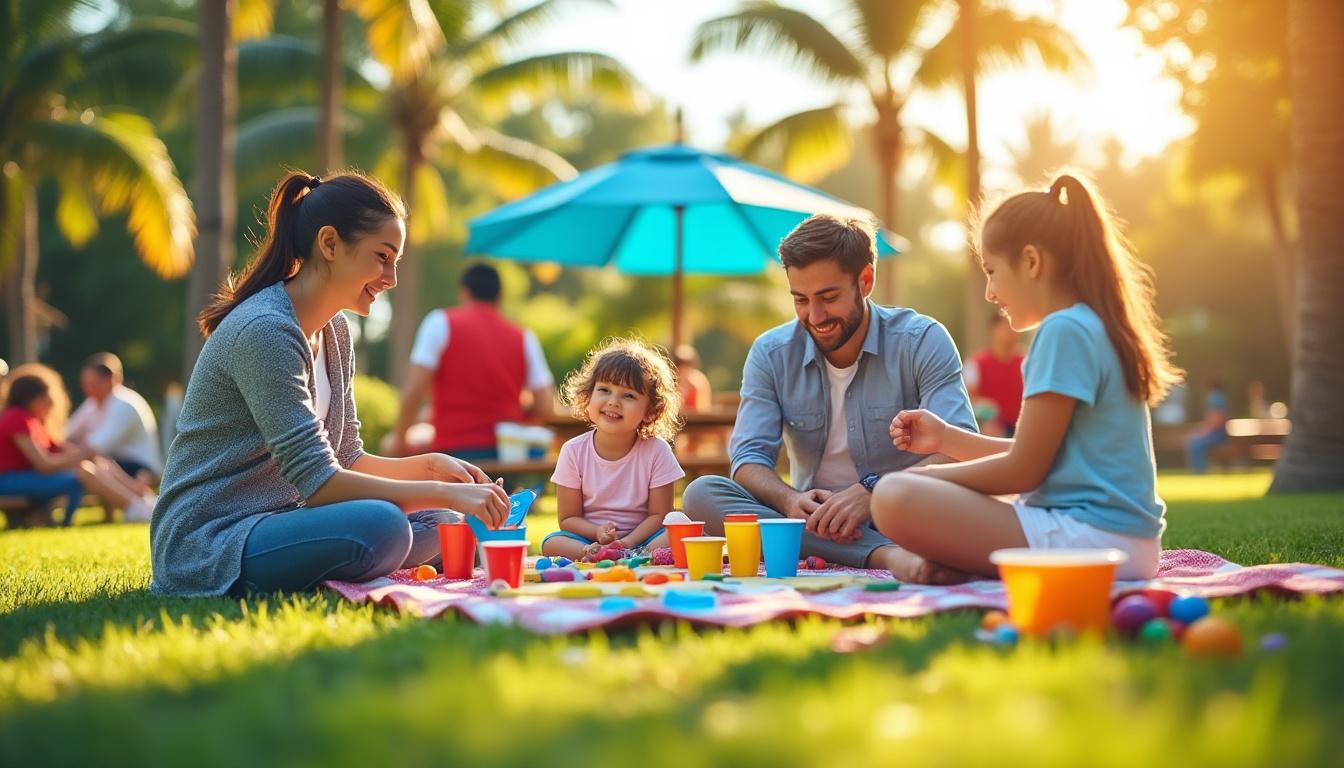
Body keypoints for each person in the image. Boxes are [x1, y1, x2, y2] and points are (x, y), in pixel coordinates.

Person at [150, 171, 510, 597]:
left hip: (282, 519)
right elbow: (320, 482)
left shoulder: (335, 331)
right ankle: (350, 559)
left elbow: (346, 456)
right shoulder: (265, 329)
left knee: (441, 522)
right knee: (384, 527)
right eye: (382, 256)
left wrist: (433, 468)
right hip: (211, 540)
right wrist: (441, 493)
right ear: (330, 244)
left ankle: (339, 562)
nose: (390, 277)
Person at [870, 173, 1183, 582]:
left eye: (992, 271)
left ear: (1032, 261)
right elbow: (1039, 454)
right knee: (904, 491)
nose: (990, 292)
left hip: (1093, 541)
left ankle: (965, 560)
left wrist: (923, 477)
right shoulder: (1091, 325)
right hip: (1119, 543)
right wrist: (946, 438)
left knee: (893, 494)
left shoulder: (1063, 331)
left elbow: (1024, 471)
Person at [681, 214, 978, 581]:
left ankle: (874, 547)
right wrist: (790, 501)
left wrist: (877, 491)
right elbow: (747, 459)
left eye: (828, 297)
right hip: (812, 522)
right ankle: (885, 557)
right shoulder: (771, 353)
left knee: (960, 509)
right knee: (701, 494)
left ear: (865, 280)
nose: (815, 315)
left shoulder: (922, 341)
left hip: (903, 511)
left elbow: (957, 447)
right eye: (800, 300)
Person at [389, 262, 555, 460]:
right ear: (499, 297)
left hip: (452, 456)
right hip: (506, 457)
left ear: (464, 293)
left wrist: (400, 441)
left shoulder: (440, 322)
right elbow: (546, 408)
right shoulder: (524, 338)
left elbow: (413, 393)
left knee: (388, 446)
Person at [541, 338, 685, 560]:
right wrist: (596, 533)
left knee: (680, 530)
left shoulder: (658, 451)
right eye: (604, 390)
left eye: (628, 395)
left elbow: (660, 515)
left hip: (644, 538)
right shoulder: (573, 451)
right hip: (589, 539)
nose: (613, 402)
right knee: (551, 543)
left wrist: (627, 542)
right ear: (588, 397)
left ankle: (632, 554)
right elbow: (568, 518)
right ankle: (593, 553)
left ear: (650, 410)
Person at [0, 366, 156, 525]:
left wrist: (88, 455)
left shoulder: (31, 420)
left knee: (97, 462)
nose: (50, 405)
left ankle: (141, 501)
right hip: (9, 480)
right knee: (84, 471)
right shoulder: (16, 418)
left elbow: (60, 447)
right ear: (31, 398)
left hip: (25, 476)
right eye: (46, 400)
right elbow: (43, 464)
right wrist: (82, 456)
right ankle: (135, 508)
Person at [65, 352, 164, 485]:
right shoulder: (92, 403)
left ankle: (137, 501)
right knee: (93, 463)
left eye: (93, 384)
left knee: (93, 465)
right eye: (85, 384)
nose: (87, 389)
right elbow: (67, 433)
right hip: (118, 464)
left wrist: (56, 457)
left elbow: (95, 448)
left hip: (141, 467)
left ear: (110, 380)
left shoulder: (125, 404)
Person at [963, 313, 1025, 437]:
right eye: (1006, 326)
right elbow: (967, 399)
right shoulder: (976, 363)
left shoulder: (1028, 360)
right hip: (990, 429)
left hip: (1023, 428)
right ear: (993, 329)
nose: (1011, 331)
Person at [1185, 380, 1229, 474]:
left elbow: (1217, 418)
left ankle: (1200, 472)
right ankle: (1200, 471)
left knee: (1195, 444)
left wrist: (1204, 431)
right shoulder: (1220, 396)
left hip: (1217, 434)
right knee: (1193, 441)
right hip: (1220, 433)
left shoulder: (1215, 397)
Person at [672, 344, 713, 412]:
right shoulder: (671, 380)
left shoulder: (699, 380)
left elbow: (703, 407)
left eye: (686, 366)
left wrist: (694, 388)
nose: (683, 370)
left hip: (697, 419)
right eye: (679, 365)